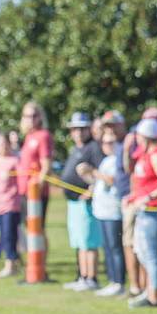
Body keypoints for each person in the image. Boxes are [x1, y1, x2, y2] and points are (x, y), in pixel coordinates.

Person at [127, 117, 157, 308]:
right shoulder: (145, 155)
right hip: (142, 211)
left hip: (152, 212)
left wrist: (149, 197)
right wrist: (132, 197)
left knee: (151, 254)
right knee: (144, 253)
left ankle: (153, 295)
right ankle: (155, 291)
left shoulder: (155, 155)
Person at [60, 112, 103, 292]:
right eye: (75, 129)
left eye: (82, 129)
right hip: (73, 203)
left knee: (88, 242)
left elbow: (100, 173)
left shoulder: (93, 147)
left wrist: (91, 191)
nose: (78, 132)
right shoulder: (75, 149)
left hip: (86, 203)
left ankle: (91, 278)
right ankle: (82, 276)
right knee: (79, 241)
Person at [91, 121, 126, 297]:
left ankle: (119, 281)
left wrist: (94, 172)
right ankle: (112, 280)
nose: (106, 145)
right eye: (104, 142)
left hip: (113, 210)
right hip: (102, 210)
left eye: (110, 142)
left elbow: (112, 180)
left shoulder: (116, 160)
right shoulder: (106, 160)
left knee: (115, 247)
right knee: (107, 247)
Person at [17, 101, 54, 235]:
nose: (31, 119)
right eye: (27, 116)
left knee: (37, 229)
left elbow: (46, 166)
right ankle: (33, 256)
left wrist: (38, 188)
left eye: (34, 115)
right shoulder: (28, 136)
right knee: (29, 228)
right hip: (24, 191)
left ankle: (40, 257)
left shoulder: (43, 135)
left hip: (36, 191)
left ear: (40, 117)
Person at [0, 132, 22, 279]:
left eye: (4, 143)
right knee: (2, 234)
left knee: (10, 235)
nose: (2, 146)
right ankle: (13, 262)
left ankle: (11, 265)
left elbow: (21, 183)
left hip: (11, 204)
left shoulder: (15, 160)